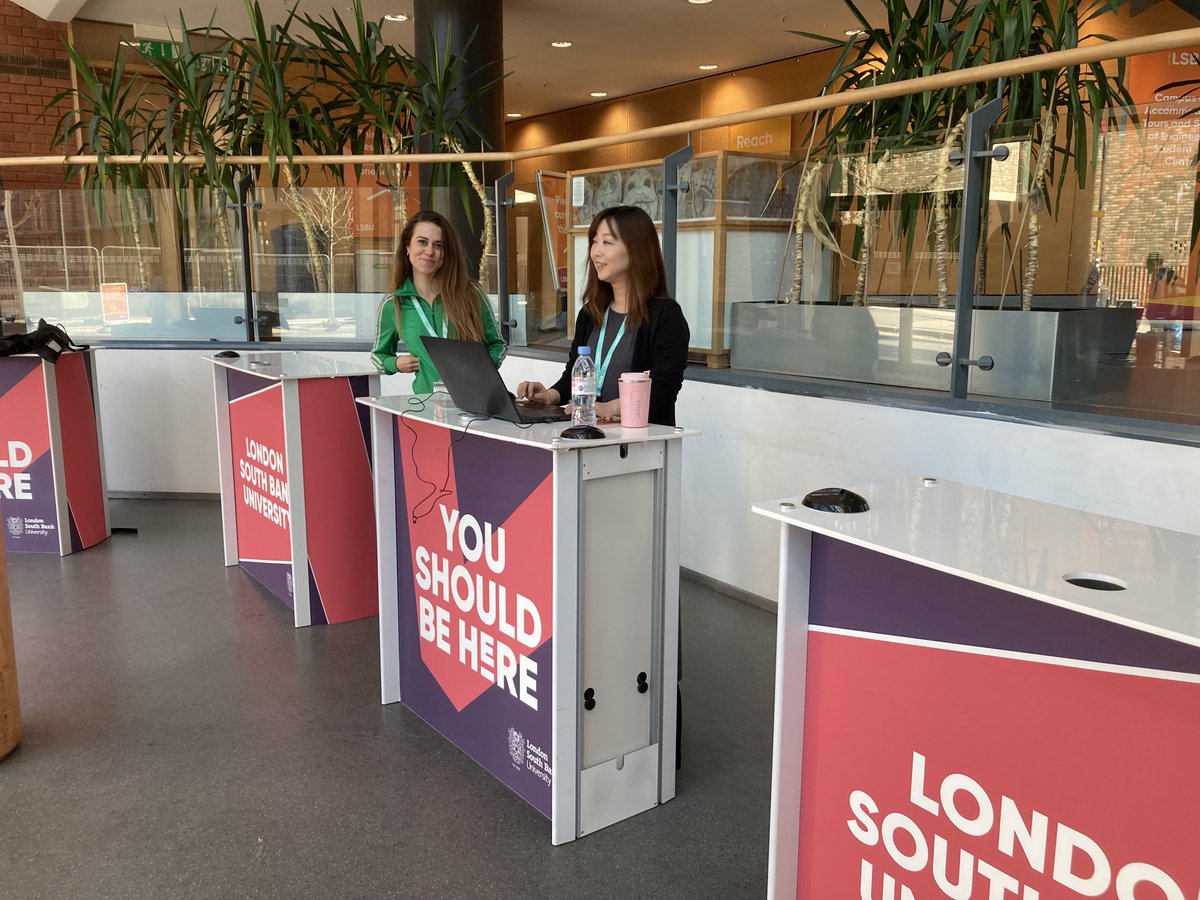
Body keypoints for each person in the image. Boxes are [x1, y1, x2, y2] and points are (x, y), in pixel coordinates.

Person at [517, 205, 690, 425]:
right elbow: (575, 374)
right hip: (588, 436)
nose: (596, 252)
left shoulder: (666, 316)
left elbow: (664, 389)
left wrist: (610, 407)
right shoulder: (591, 313)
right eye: (594, 242)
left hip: (638, 445)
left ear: (636, 249)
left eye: (607, 242)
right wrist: (549, 395)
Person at [371, 209, 506, 393]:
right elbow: (379, 356)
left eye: (438, 245)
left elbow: (498, 346)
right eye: (422, 242)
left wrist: (481, 370)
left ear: (445, 253)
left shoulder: (470, 293)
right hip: (425, 404)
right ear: (407, 247)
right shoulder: (393, 304)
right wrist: (395, 363)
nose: (430, 252)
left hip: (473, 404)